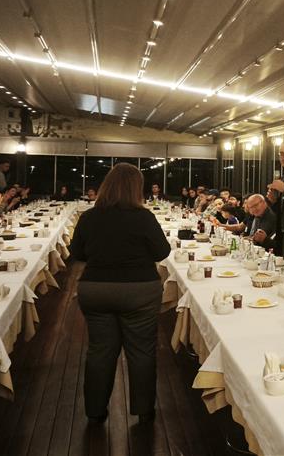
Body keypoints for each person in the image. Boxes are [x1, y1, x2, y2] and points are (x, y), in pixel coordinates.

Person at [69, 163, 171, 424]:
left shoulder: (89, 217)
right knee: (141, 351)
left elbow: (77, 253)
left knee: (100, 351)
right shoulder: (143, 217)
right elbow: (162, 252)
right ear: (137, 188)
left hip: (96, 289)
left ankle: (94, 412)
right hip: (139, 291)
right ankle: (143, 410)